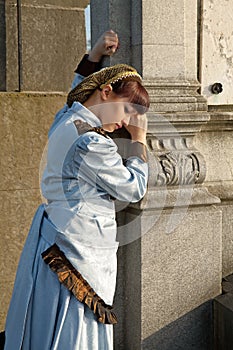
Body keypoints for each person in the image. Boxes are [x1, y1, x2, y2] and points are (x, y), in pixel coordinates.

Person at [3, 30, 149, 350]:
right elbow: (133, 187)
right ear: (107, 92)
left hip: (54, 236)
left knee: (48, 320)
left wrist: (93, 56)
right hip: (77, 249)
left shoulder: (67, 120)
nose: (126, 122)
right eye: (127, 111)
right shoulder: (92, 142)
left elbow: (76, 96)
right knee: (75, 328)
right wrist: (139, 141)